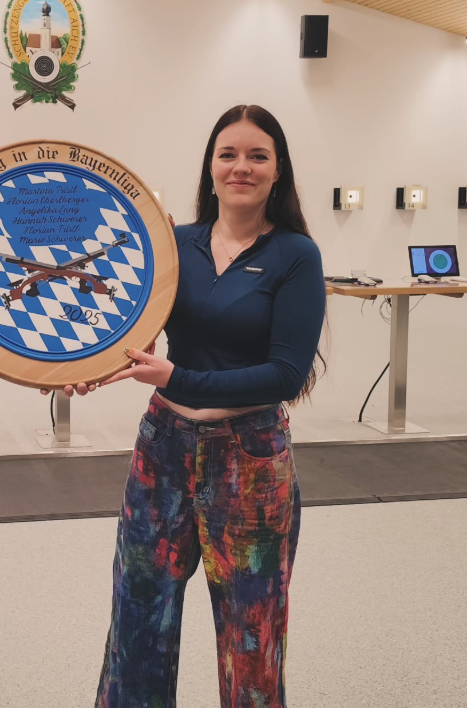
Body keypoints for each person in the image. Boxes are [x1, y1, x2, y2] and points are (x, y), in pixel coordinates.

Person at [86, 105, 326, 707]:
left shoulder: (296, 254)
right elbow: (126, 326)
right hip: (161, 450)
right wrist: (77, 367)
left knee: (252, 637)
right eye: (228, 154)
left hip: (250, 459)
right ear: (211, 166)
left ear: (278, 170)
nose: (241, 166)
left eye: (257, 156)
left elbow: (286, 374)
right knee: (138, 622)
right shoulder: (175, 244)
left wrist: (180, 378)